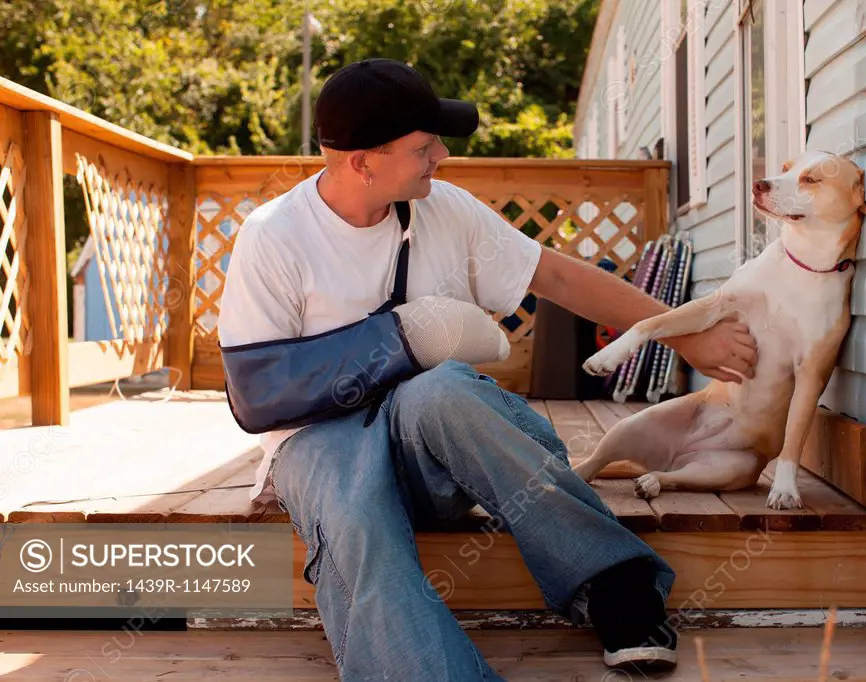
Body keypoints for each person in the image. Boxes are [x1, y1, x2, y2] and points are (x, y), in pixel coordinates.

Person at [217, 58, 758, 681]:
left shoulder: (443, 209)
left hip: (431, 456)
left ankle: (615, 585)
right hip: (317, 445)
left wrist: (685, 334)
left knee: (444, 389)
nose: (441, 156)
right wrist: (403, 336)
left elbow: (554, 274)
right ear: (362, 162)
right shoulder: (274, 236)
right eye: (423, 147)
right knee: (355, 509)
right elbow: (256, 397)